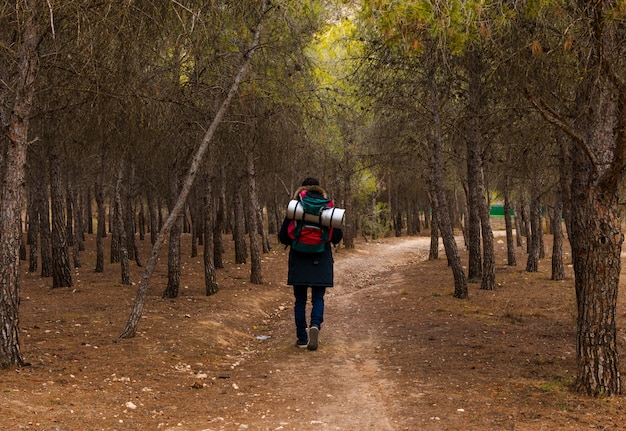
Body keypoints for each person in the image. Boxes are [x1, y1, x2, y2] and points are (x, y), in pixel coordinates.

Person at [279, 178, 343, 350]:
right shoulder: (327, 207)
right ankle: (315, 325)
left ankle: (301, 338)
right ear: (319, 189)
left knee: (299, 301)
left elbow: (283, 237)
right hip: (320, 259)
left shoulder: (296, 208)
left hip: (299, 259)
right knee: (318, 299)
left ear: (302, 189)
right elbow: (337, 237)